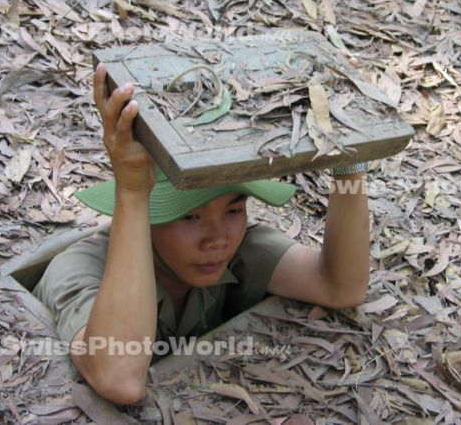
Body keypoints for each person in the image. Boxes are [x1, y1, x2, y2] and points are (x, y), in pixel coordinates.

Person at [34, 63, 370, 405]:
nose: (218, 239)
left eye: (234, 209)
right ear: (147, 216)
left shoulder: (237, 247)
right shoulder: (77, 269)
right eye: (190, 216)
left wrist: (348, 167)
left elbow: (340, 286)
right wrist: (133, 190)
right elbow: (119, 378)